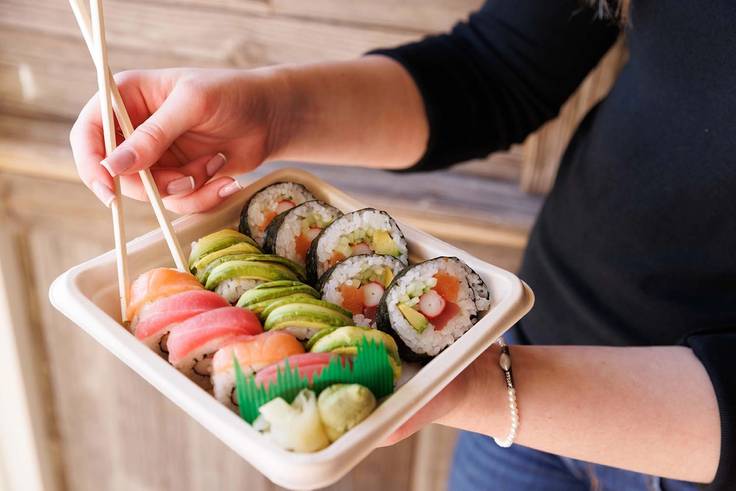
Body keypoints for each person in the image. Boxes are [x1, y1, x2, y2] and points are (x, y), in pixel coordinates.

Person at [69, 1, 735, 489]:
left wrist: (469, 386)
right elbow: (497, 72)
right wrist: (273, 110)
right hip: (528, 342)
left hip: (681, 449)